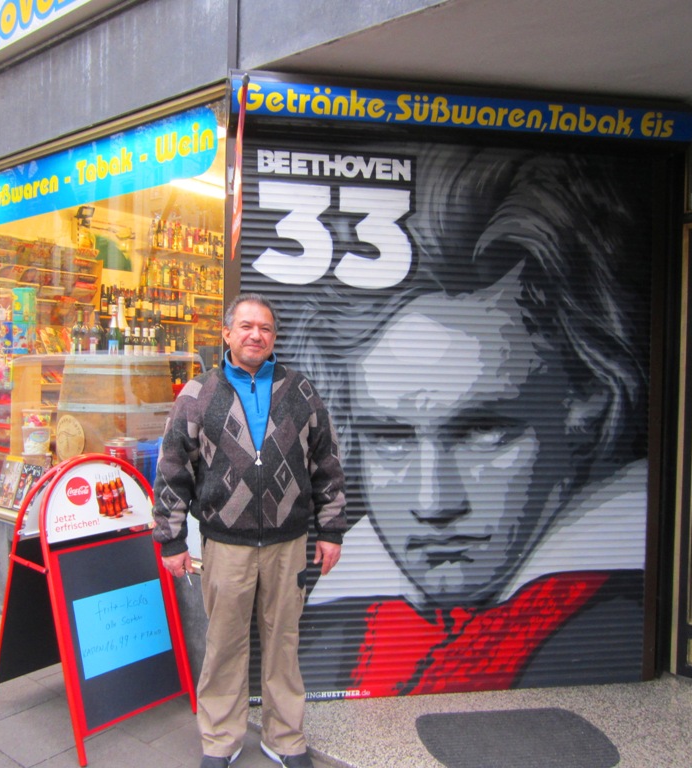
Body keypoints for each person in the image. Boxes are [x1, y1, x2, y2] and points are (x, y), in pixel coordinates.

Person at [278, 144, 650, 696]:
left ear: (588, 400)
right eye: (391, 439)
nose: (433, 503)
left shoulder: (625, 627)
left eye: (483, 433)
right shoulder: (335, 626)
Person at [153, 292, 348, 768]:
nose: (255, 334)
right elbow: (173, 467)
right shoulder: (197, 394)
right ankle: (220, 740)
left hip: (288, 544)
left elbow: (327, 465)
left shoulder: (301, 392)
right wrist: (172, 539)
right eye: (245, 326)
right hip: (225, 544)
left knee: (283, 644)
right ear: (227, 334)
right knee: (224, 645)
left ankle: (284, 738)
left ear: (274, 337)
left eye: (264, 327)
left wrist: (331, 531)